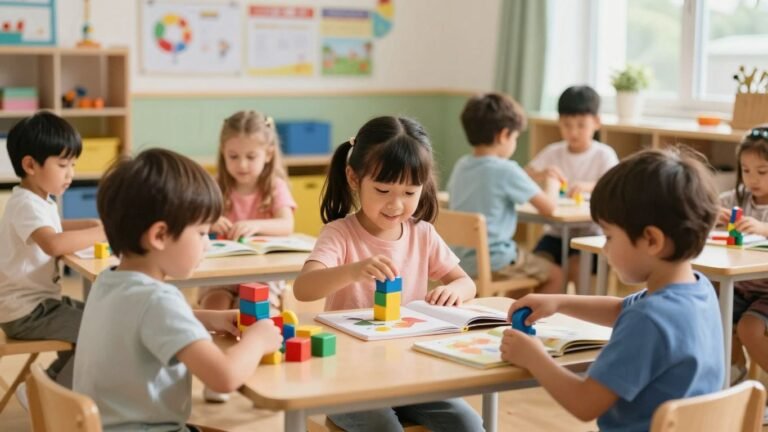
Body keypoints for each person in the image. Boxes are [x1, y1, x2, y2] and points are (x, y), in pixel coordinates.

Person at [502, 148, 724, 432]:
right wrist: (559, 302)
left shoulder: (649, 320)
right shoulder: (699, 289)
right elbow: (621, 309)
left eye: (608, 236)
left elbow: (584, 404)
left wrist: (534, 357)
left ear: (651, 240)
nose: (605, 248)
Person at [293, 116, 483, 431]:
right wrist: (352, 271)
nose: (396, 204)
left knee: (469, 424)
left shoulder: (422, 233)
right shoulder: (339, 234)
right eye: (382, 190)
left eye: (410, 193)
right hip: (348, 378)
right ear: (354, 178)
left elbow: (466, 283)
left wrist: (455, 291)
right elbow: (304, 288)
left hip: (411, 372)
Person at [73, 148, 283, 431]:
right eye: (201, 233)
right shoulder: (158, 300)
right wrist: (258, 340)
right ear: (159, 235)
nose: (207, 244)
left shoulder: (108, 282)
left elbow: (140, 323)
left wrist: (207, 318)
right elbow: (224, 378)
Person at [0, 112, 105, 402]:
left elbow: (55, 229)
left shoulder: (38, 199)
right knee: (98, 332)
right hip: (26, 312)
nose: (70, 173)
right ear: (30, 165)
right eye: (63, 165)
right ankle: (53, 398)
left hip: (40, 304)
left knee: (100, 318)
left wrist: (90, 224)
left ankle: (43, 385)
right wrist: (104, 233)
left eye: (72, 164)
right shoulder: (25, 204)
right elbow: (53, 244)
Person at [198, 110, 296, 402]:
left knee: (258, 315)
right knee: (215, 311)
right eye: (233, 156)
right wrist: (210, 222)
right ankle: (217, 374)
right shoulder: (217, 186)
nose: (241, 165)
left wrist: (257, 224)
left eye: (250, 156)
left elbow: (286, 224)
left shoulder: (274, 186)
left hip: (261, 277)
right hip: (220, 276)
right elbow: (196, 222)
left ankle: (258, 377)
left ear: (268, 153)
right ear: (222, 153)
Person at [448, 92, 561, 294]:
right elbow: (549, 208)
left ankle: (513, 313)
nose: (515, 142)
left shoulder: (462, 165)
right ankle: (533, 321)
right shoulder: (507, 170)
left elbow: (494, 181)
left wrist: (531, 176)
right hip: (496, 260)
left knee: (526, 267)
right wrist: (552, 182)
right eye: (516, 137)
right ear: (503, 135)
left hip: (459, 259)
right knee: (555, 274)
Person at [525, 85, 618, 283]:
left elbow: (614, 186)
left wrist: (589, 186)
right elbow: (523, 175)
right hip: (556, 234)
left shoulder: (604, 154)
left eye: (581, 125)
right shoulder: (553, 152)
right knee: (539, 265)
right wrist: (541, 173)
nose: (573, 132)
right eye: (567, 125)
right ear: (559, 123)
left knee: (578, 266)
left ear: (597, 122)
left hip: (590, 235)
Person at [719, 125, 768, 383]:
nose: (753, 179)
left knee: (750, 329)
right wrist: (711, 215)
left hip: (766, 289)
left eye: (762, 171)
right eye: (746, 170)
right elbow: (705, 206)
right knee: (713, 317)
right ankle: (735, 381)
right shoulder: (738, 199)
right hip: (740, 286)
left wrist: (763, 228)